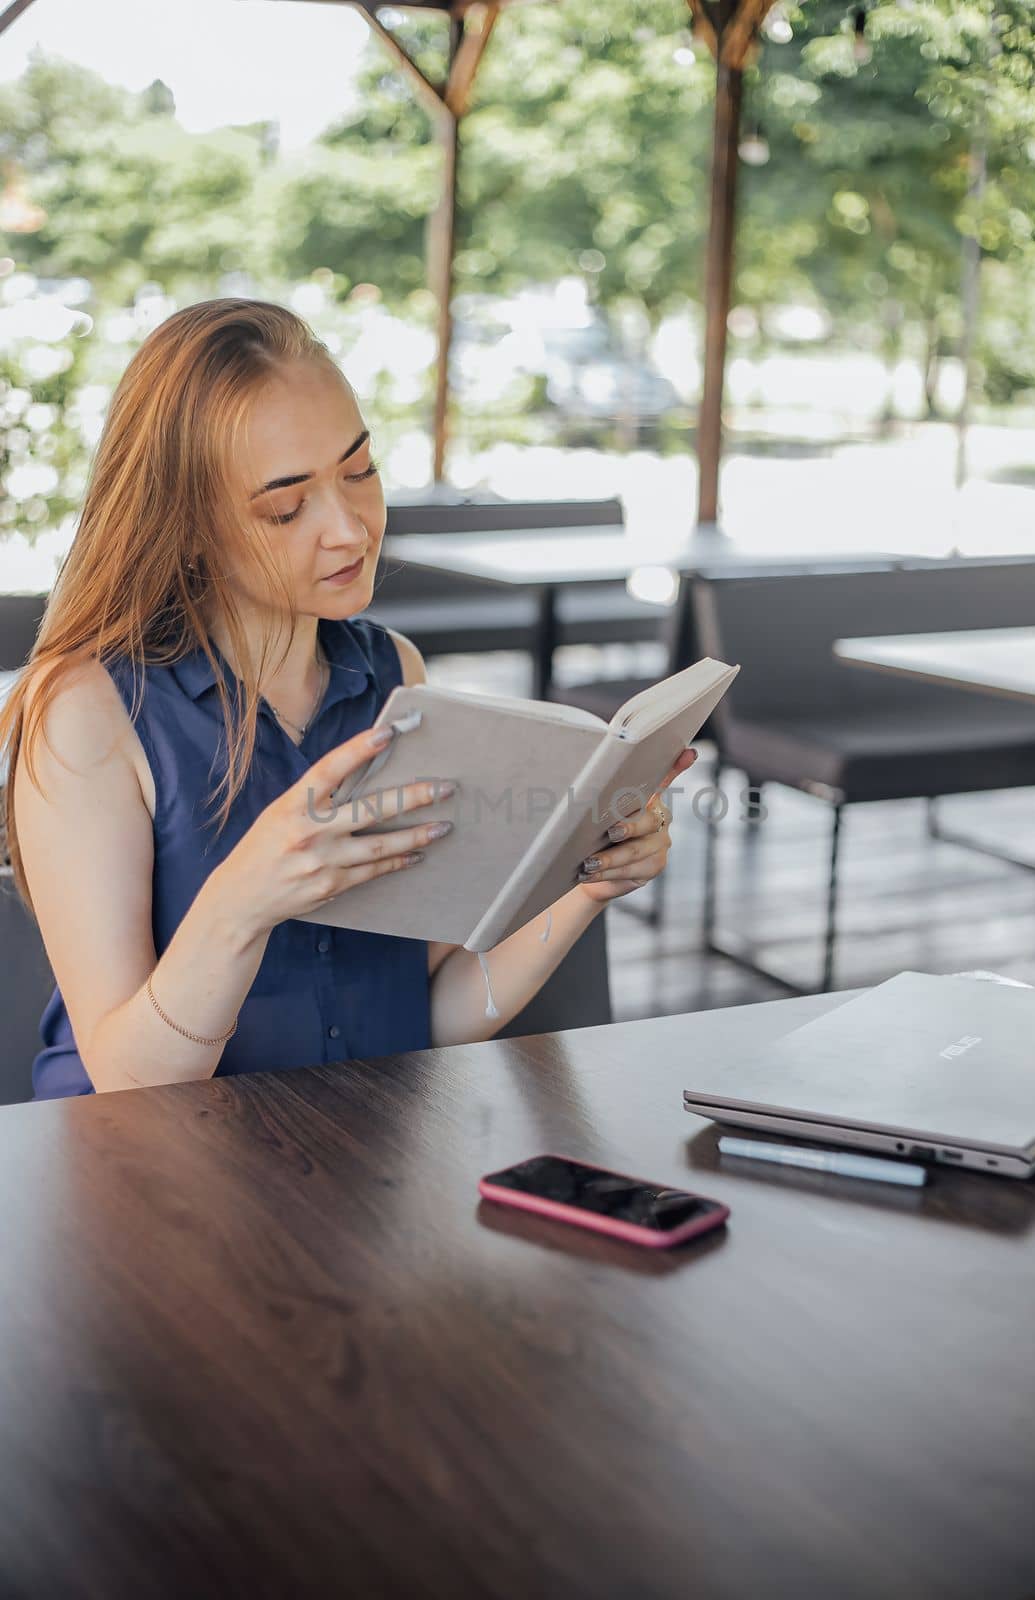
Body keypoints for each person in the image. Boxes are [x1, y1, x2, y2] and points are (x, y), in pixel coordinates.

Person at [0, 299, 694, 1099]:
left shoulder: (394, 674)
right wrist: (243, 902)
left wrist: (585, 883)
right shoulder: (86, 712)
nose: (351, 530)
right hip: (146, 1173)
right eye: (286, 507)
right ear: (186, 526)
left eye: (359, 472)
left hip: (351, 1158)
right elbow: (126, 1079)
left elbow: (430, 1014)